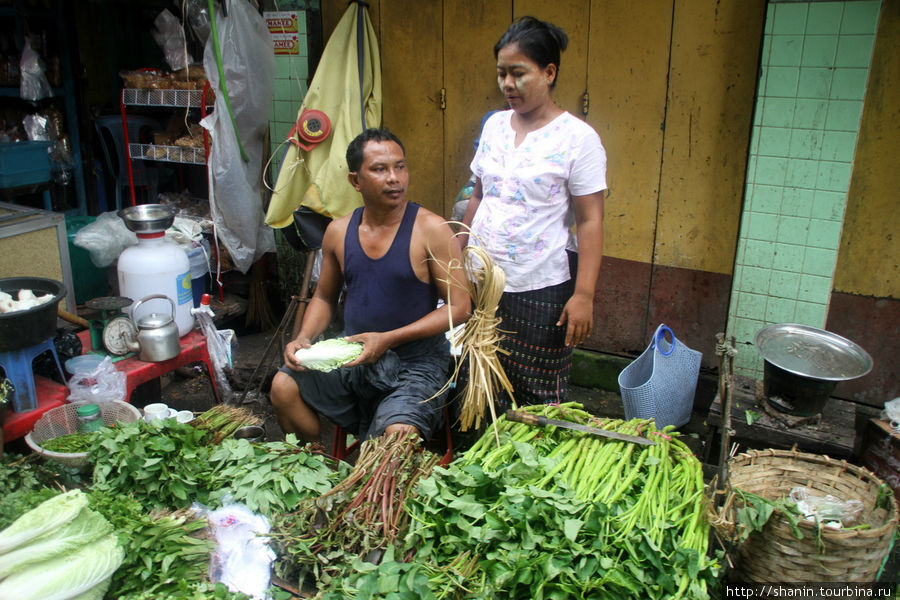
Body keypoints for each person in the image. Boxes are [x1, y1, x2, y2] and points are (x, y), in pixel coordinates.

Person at [270, 128, 471, 443]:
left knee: (396, 436)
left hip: (415, 365)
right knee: (283, 387)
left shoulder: (432, 230)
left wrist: (388, 339)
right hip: (353, 359)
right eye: (379, 169)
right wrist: (304, 338)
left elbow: (460, 308)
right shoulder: (338, 232)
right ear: (355, 180)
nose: (394, 178)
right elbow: (323, 297)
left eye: (400, 167)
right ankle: (316, 464)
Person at [461, 16, 608, 405]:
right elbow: (478, 195)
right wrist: (456, 253)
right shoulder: (494, 125)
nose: (508, 84)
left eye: (518, 73)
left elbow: (590, 221)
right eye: (501, 74)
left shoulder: (578, 139)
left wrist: (585, 295)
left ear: (549, 72)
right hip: (481, 278)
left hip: (539, 285)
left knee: (535, 390)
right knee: (476, 379)